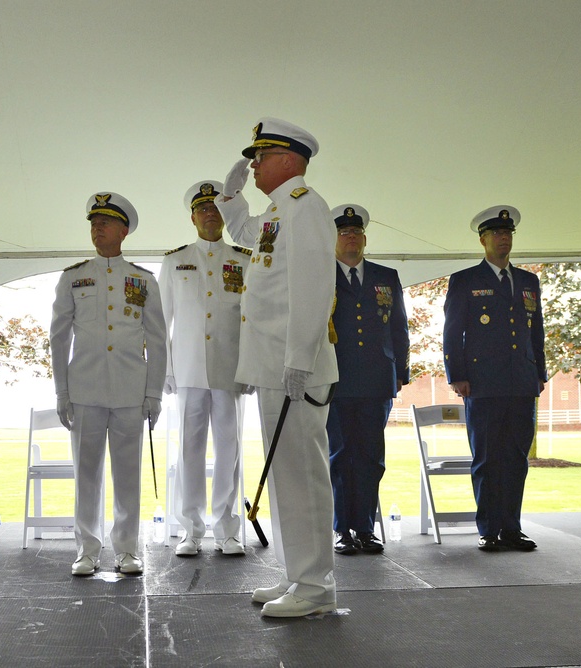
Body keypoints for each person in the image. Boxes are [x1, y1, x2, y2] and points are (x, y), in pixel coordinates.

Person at [215, 117, 338, 618]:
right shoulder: (277, 212)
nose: (254, 164)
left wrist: (298, 360)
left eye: (261, 156)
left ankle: (315, 587)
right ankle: (297, 576)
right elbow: (248, 234)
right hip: (274, 365)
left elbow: (311, 287)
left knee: (302, 475)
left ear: (289, 159)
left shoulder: (307, 208)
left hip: (295, 369)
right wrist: (231, 199)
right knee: (286, 473)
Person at [50, 192, 167, 576]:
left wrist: (153, 393)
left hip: (131, 389)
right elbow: (58, 337)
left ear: (124, 230)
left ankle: (127, 549)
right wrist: (61, 391)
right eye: (93, 223)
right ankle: (87, 548)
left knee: (128, 471)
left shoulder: (143, 279)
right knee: (86, 473)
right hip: (85, 388)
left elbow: (158, 338)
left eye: (104, 222)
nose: (96, 228)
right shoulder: (73, 276)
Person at [443, 205, 546, 552]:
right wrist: (457, 375)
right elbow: (452, 332)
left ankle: (512, 528)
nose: (504, 239)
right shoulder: (466, 280)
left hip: (521, 382)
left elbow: (537, 334)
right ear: (483, 240)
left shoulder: (529, 281)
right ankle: (489, 529)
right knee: (487, 458)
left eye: (508, 234)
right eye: (497, 234)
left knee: (516, 458)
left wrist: (540, 373)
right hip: (483, 384)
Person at [159, 180, 251, 557]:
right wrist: (165, 369)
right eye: (203, 209)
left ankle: (227, 529)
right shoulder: (174, 260)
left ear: (225, 215)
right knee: (190, 451)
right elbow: (161, 319)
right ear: (193, 216)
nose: (210, 215)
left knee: (229, 450)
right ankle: (191, 530)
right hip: (189, 370)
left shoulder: (244, 259)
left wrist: (250, 367)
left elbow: (251, 320)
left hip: (230, 370)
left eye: (216, 209)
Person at [327, 204, 410, 556]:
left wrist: (400, 373)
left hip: (377, 380)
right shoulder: (320, 274)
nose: (351, 237)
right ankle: (342, 529)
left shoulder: (385, 276)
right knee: (341, 456)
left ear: (364, 237)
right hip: (336, 380)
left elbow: (399, 327)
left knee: (371, 458)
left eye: (356, 232)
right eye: (344, 232)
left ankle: (366, 527)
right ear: (333, 238)